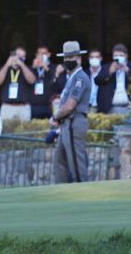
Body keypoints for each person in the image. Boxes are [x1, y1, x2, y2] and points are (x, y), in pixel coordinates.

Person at [51, 40, 91, 184]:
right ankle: (62, 191)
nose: (68, 61)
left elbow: (70, 105)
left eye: (71, 57)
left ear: (79, 59)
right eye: (66, 58)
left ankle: (82, 193)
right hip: (66, 124)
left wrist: (56, 115)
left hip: (74, 121)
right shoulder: (71, 78)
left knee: (76, 163)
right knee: (60, 161)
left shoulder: (80, 78)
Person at [0, 47, 35, 122]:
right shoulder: (5, 68)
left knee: (24, 132)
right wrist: (7, 64)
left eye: (22, 57)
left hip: (23, 107)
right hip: (7, 107)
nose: (19, 59)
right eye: (18, 56)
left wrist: (22, 65)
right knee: (6, 132)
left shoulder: (27, 68)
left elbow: (32, 80)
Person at [99, 44, 131, 114]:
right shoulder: (106, 67)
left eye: (121, 55)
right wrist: (109, 72)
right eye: (116, 55)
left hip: (129, 106)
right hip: (111, 107)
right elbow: (97, 80)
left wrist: (128, 72)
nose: (118, 57)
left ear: (126, 56)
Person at [30, 46, 54, 119]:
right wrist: (33, 68)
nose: (41, 56)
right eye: (39, 54)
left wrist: (45, 67)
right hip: (34, 105)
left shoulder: (53, 67)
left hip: (48, 105)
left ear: (49, 54)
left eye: (44, 54)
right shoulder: (32, 68)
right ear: (36, 55)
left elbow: (54, 81)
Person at [85, 48, 107, 113]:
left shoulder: (105, 73)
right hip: (88, 106)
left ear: (101, 58)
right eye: (92, 57)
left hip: (102, 106)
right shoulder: (84, 73)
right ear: (88, 59)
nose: (94, 59)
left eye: (97, 57)